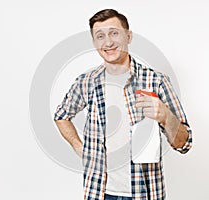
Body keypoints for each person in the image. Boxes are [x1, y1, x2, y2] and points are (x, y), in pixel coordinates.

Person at [54, 9, 192, 200]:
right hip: (100, 193)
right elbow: (61, 116)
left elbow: (184, 144)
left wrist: (166, 116)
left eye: (114, 33)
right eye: (100, 36)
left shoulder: (156, 81)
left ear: (128, 36)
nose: (108, 42)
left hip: (145, 193)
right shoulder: (86, 82)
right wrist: (80, 148)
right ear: (94, 43)